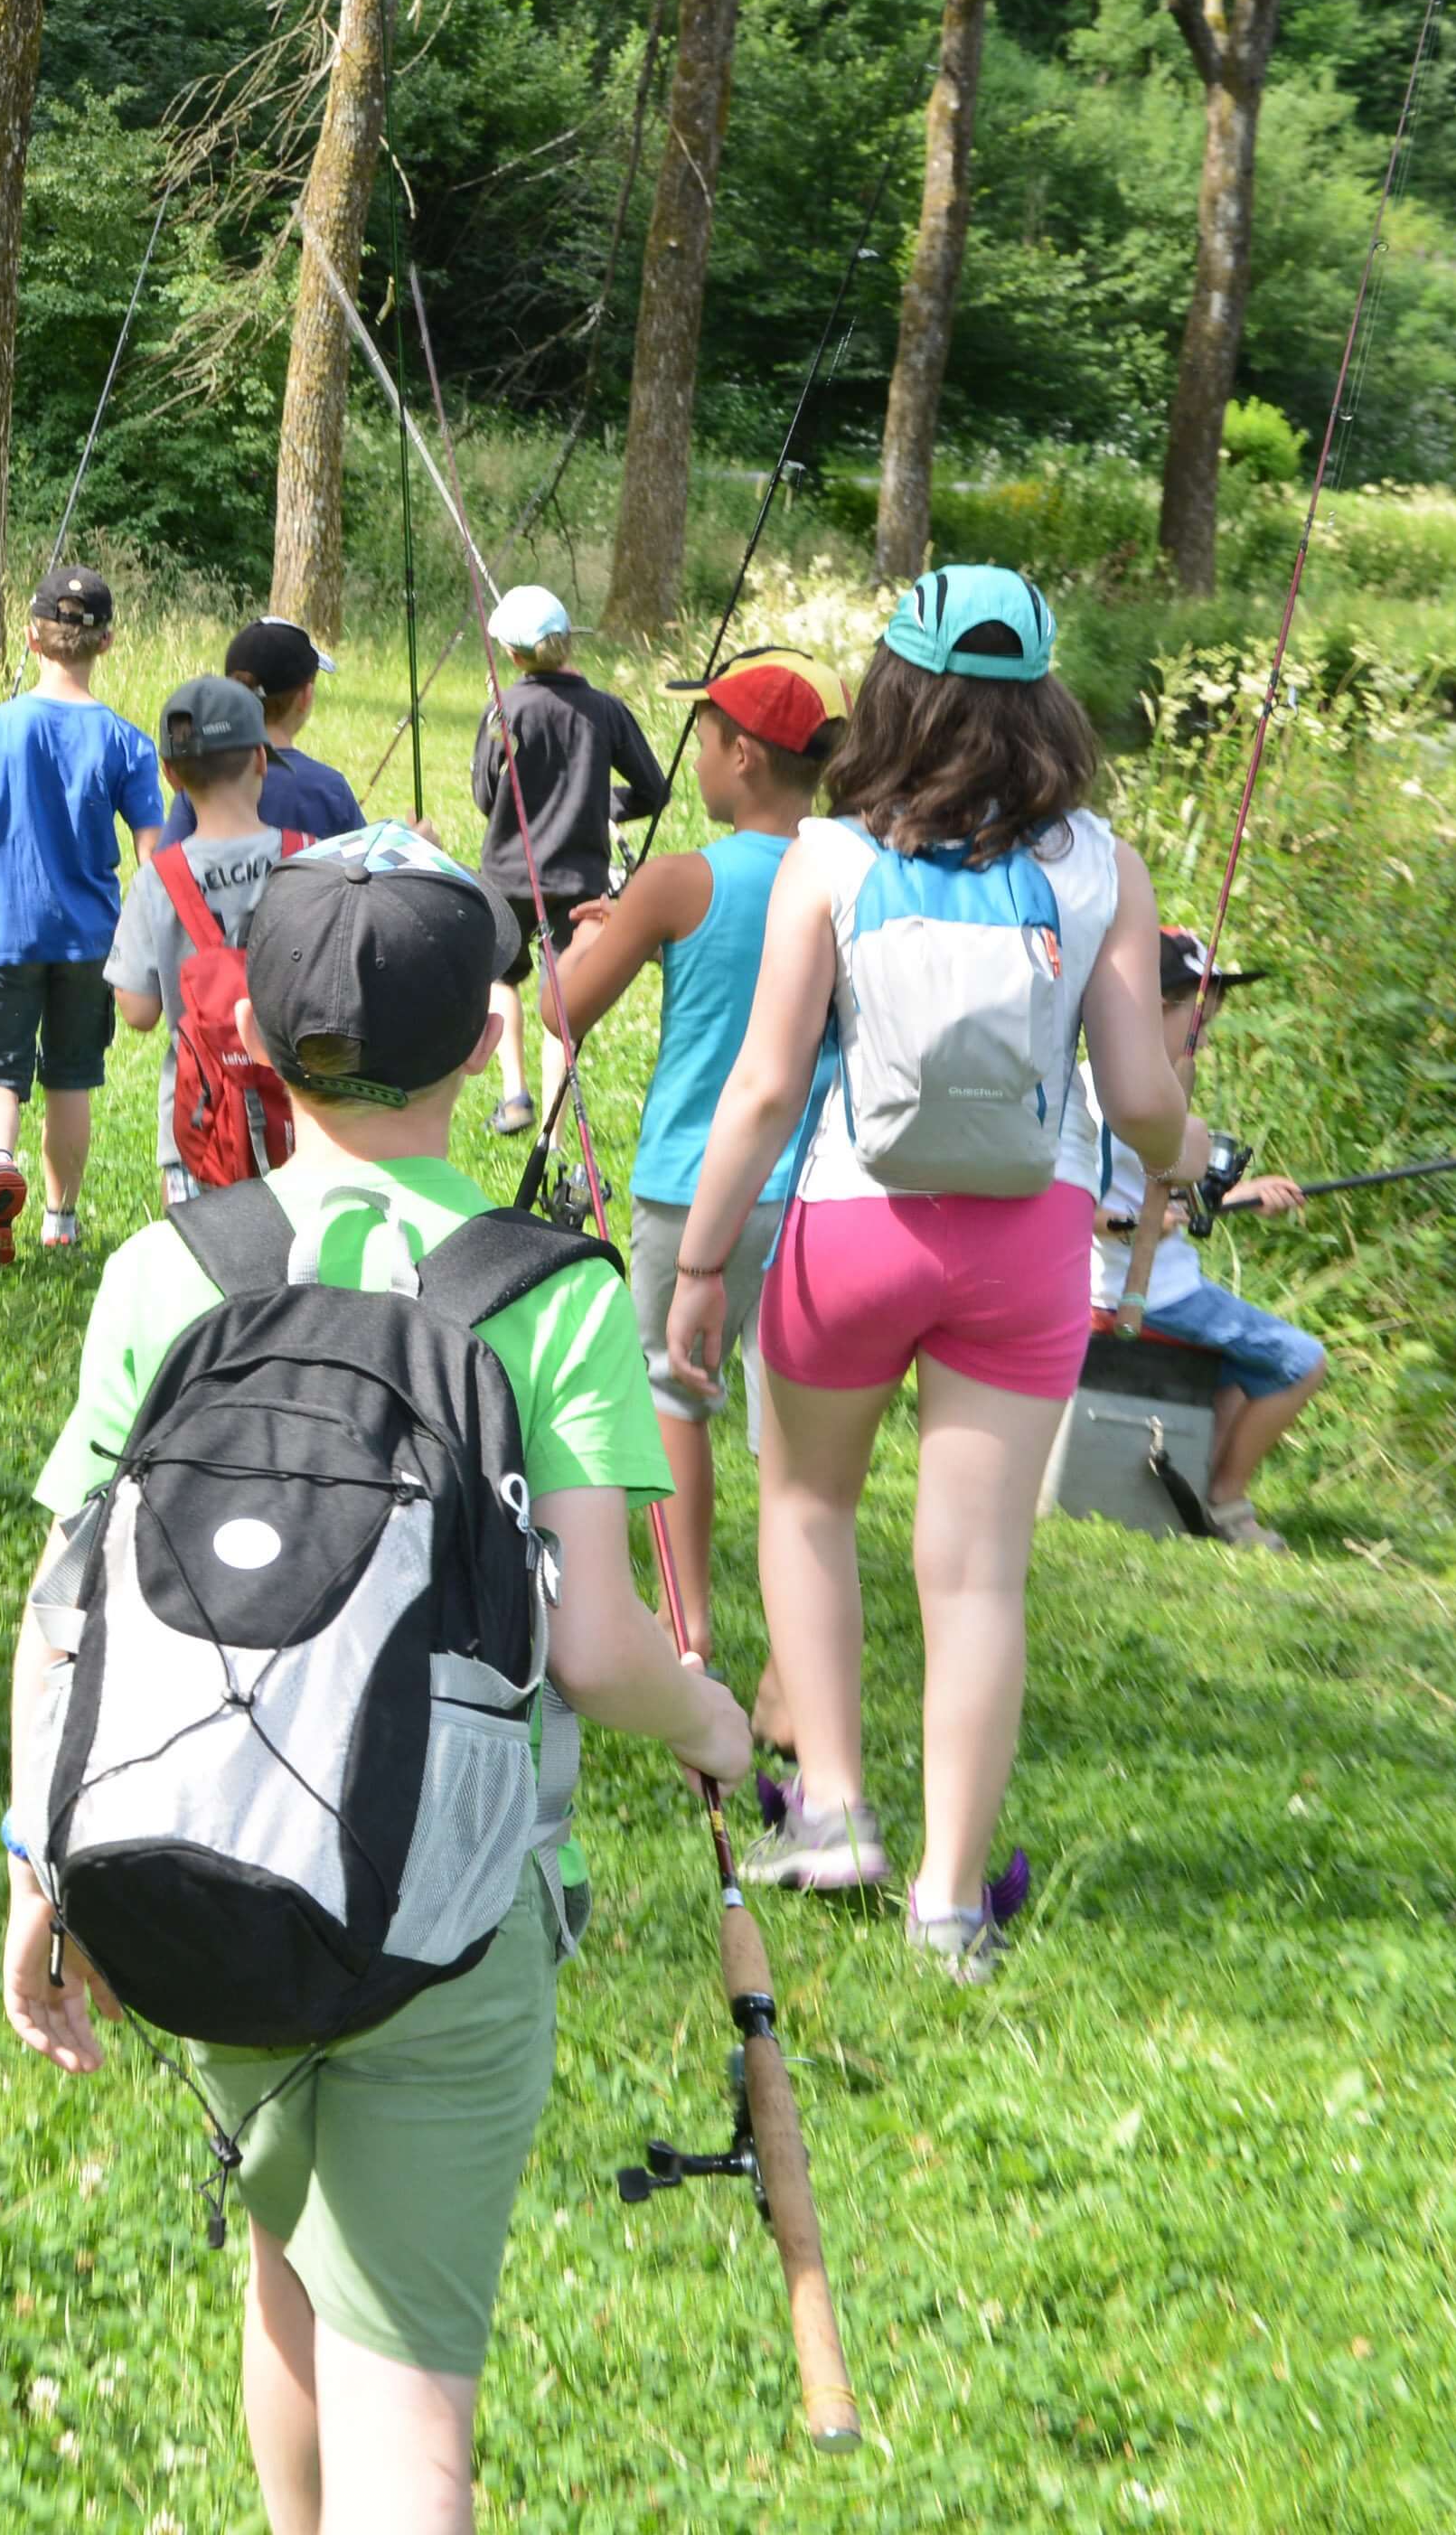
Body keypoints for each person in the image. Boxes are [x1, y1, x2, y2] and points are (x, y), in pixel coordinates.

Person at [1, 823, 752, 2535]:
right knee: (412, 2378)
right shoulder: (548, 1300)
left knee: (287, 2266)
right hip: (456, 1914)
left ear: (251, 1037)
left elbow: (63, 1605)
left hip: (196, 1862)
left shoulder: (168, 1272)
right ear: (491, 1039)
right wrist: (710, 1718)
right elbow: (590, 1642)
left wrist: (36, 1873)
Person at [651, 567, 1189, 1981]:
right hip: (1023, 1247)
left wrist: (702, 1261)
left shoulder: (831, 858)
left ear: (892, 691)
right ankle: (951, 1906)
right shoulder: (1103, 865)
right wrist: (1184, 1152)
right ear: (1047, 705)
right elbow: (1136, 1096)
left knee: (809, 1504)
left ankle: (830, 1809)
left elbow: (768, 1090)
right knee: (977, 1581)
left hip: (849, 1231)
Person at [543, 643, 845, 1638]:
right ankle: (801, 1646)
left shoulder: (679, 880)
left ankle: (689, 1627)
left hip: (691, 1185)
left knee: (675, 1392)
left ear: (747, 754)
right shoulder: (852, 871)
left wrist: (590, 939)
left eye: (705, 739)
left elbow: (563, 1010)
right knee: (795, 1422)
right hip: (821, 1187)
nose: (697, 758)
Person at [0, 567, 163, 1263]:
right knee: (72, 1076)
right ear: (106, 642)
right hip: (90, 940)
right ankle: (60, 1222)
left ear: (30, 636)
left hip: (4, 933)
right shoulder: (129, 742)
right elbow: (154, 854)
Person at [1092, 932, 1325, 1554]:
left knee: (1242, 1369)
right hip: (1138, 1291)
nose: (1205, 1038)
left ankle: (1188, 1493)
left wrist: (1250, 1194)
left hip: (1162, 1282)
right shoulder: (1104, 1094)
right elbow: (1074, 1204)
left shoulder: (1151, 1087)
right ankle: (1226, 1502)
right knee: (1300, 1360)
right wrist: (1134, 1224)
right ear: (1150, 1008)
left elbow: (1186, 1187)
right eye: (1197, 1023)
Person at [465, 584, 662, 1141]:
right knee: (565, 991)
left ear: (511, 653)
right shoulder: (606, 710)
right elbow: (654, 790)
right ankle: (552, 1129)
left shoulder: (505, 709)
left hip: (508, 874)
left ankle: (515, 1096)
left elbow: (484, 797)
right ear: (568, 643)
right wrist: (602, 806)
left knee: (502, 975)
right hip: (580, 879)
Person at [110, 673, 296, 1201]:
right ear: (261, 759)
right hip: (305, 1128)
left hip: (199, 1130)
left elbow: (138, 1012)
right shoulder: (310, 857)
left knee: (205, 1277)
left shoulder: (156, 881)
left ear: (170, 775)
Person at [162, 615, 368, 846]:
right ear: (305, 696)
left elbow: (167, 867)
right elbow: (362, 872)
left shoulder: (206, 779)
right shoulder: (330, 788)